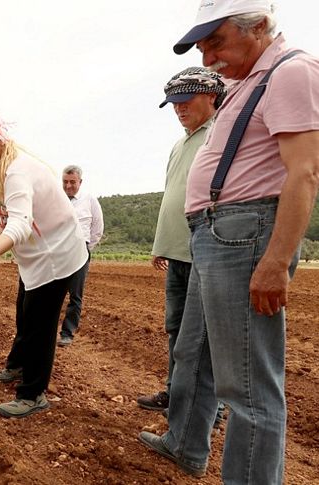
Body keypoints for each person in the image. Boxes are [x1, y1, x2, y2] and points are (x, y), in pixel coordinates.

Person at [138, 2, 319, 482]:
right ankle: (185, 444)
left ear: (259, 26)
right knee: (194, 351)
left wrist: (276, 260)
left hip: (244, 236)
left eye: (215, 41)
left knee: (248, 389)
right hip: (215, 236)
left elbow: (305, 171)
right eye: (202, 45)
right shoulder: (247, 83)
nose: (207, 54)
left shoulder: (291, 71)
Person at [0, 106, 88, 419]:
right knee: (24, 314)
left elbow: (20, 224)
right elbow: (6, 223)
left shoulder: (17, 171)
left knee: (39, 325)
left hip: (56, 257)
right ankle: (17, 365)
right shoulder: (2, 172)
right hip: (36, 257)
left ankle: (33, 393)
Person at [136, 67, 226, 414]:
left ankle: (211, 406)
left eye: (185, 101)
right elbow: (172, 194)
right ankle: (176, 393)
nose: (178, 109)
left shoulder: (219, 135)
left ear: (211, 97)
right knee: (176, 330)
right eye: (174, 103)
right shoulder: (181, 143)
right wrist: (161, 244)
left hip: (204, 253)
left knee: (204, 338)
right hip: (177, 253)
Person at [58, 165, 104, 346]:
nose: (68, 186)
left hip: (80, 250)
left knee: (75, 296)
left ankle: (67, 333)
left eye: (72, 182)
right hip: (58, 250)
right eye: (65, 182)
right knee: (53, 293)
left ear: (80, 182)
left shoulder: (89, 200)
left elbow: (97, 228)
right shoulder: (56, 199)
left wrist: (85, 247)